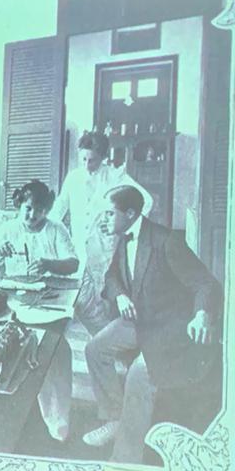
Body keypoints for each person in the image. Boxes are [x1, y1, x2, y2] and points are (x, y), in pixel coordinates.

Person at [82, 186, 221, 463]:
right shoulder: (123, 239)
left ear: (131, 213)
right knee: (95, 348)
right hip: (139, 321)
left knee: (137, 376)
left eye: (110, 213)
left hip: (170, 327)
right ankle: (113, 418)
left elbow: (206, 284)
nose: (104, 220)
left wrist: (202, 314)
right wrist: (121, 295)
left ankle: (125, 460)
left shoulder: (166, 241)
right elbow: (111, 277)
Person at [0, 181, 77, 442]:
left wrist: (49, 263)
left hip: (47, 299)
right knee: (2, 346)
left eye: (39, 210)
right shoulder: (8, 229)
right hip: (13, 301)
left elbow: (73, 263)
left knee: (56, 350)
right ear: (19, 206)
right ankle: (6, 411)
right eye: (28, 209)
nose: (33, 215)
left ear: (47, 210)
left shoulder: (57, 230)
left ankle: (58, 420)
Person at [51, 130, 153, 335]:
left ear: (104, 158)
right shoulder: (73, 177)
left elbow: (146, 201)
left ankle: (113, 344)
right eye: (83, 159)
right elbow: (59, 208)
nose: (87, 164)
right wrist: (46, 228)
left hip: (106, 248)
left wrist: (123, 226)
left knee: (108, 297)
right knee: (83, 301)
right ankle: (100, 340)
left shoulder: (115, 176)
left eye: (93, 160)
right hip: (80, 246)